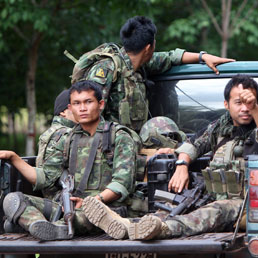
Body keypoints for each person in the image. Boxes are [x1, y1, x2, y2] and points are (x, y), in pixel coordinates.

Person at [81, 74, 258, 240]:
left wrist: (255, 109)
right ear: (226, 105)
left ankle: (164, 230)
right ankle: (130, 226)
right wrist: (181, 165)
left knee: (214, 211)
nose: (245, 109)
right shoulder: (221, 127)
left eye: (250, 103)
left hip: (246, 205)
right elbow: (193, 144)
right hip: (214, 196)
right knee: (173, 205)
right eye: (239, 103)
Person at [0, 80, 139, 240]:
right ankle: (40, 225)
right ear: (70, 107)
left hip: (105, 209)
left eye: (88, 102)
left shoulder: (119, 136)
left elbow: (121, 184)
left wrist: (92, 202)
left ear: (100, 104)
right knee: (13, 200)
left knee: (83, 216)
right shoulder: (67, 139)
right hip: (68, 206)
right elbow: (45, 178)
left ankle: (55, 227)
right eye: (77, 103)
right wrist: (13, 157)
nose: (82, 108)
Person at [70, 16, 235, 132]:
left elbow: (171, 58)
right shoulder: (107, 69)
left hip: (130, 147)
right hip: (108, 150)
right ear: (149, 47)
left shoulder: (141, 65)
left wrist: (202, 56)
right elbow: (89, 116)